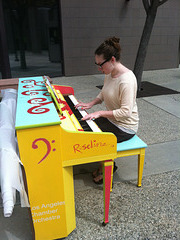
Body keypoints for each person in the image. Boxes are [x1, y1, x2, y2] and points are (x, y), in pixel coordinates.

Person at [75, 36, 139, 184]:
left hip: (125, 126)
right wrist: (91, 104)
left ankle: (110, 166)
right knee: (83, 126)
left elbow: (126, 112)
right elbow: (103, 93)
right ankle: (104, 162)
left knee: (93, 137)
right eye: (96, 64)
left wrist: (100, 113)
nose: (99, 68)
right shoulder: (109, 74)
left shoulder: (127, 80)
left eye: (100, 64)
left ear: (112, 60)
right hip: (112, 120)